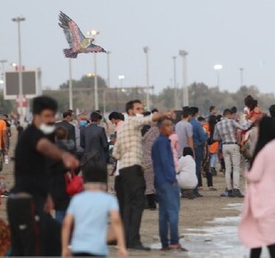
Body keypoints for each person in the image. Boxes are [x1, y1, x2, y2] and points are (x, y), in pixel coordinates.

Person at [7, 96, 79, 256]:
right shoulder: (32, 134)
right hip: (24, 204)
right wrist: (64, 156)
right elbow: (44, 147)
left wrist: (47, 196)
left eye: (53, 116)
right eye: (47, 116)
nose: (51, 120)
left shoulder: (46, 134)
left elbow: (42, 169)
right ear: (36, 116)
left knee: (45, 242)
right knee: (32, 250)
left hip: (36, 201)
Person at [111, 100, 168, 251]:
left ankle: (125, 239)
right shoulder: (133, 121)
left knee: (126, 207)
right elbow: (147, 119)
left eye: (142, 108)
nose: (141, 111)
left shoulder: (122, 128)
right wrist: (164, 114)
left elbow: (115, 153)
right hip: (133, 169)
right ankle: (133, 240)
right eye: (138, 109)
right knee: (137, 205)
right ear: (130, 111)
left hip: (122, 171)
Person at [239, 116, 275, 258]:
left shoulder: (265, 151)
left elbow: (255, 175)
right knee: (259, 238)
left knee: (269, 240)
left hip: (264, 201)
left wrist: (245, 172)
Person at [61, 165, 126, 258]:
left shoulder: (77, 199)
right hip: (98, 247)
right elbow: (116, 221)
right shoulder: (108, 200)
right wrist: (122, 246)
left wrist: (64, 248)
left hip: (78, 246)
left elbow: (66, 223)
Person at [152, 118, 186, 252]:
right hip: (167, 181)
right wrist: (172, 178)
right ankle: (174, 241)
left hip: (160, 180)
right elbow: (166, 162)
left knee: (164, 213)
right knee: (172, 212)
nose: (170, 127)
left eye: (171, 125)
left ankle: (165, 243)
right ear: (160, 128)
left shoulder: (158, 142)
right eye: (167, 125)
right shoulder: (163, 142)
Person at [212, 109, 248, 198]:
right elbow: (243, 128)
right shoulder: (232, 122)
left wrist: (223, 137)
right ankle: (236, 189)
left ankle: (229, 189)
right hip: (233, 145)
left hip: (224, 146)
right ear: (229, 114)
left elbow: (215, 137)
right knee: (236, 168)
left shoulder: (218, 124)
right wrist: (250, 121)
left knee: (228, 169)